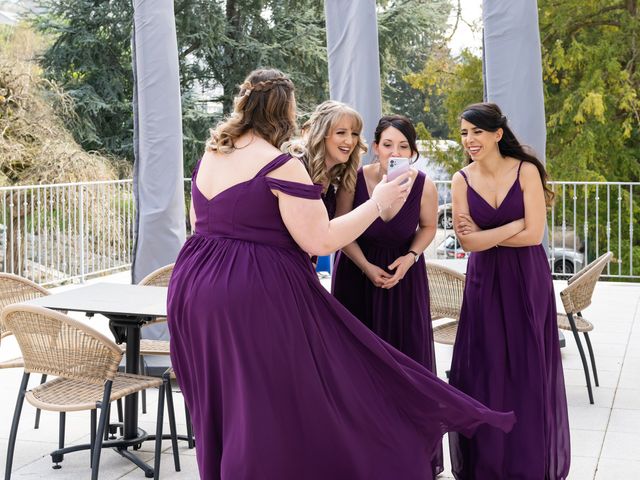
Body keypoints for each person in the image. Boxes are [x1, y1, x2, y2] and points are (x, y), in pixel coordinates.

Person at [168, 69, 515, 480]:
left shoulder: (212, 154)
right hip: (251, 293)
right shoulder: (280, 165)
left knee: (223, 398)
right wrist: (379, 203)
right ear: (284, 113)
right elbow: (320, 239)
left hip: (191, 288)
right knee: (274, 400)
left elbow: (198, 222)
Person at [448, 102, 570, 479]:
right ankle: (489, 462)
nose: (469, 140)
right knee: (487, 367)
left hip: (526, 279)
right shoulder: (460, 179)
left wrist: (488, 237)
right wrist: (511, 226)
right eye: (465, 133)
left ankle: (527, 461)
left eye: (477, 132)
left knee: (527, 366)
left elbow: (534, 235)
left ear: (498, 134)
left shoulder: (526, 171)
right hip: (484, 281)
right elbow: (467, 245)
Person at [331, 114, 442, 476]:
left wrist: (409, 259)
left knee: (406, 366)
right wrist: (365, 266)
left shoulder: (424, 185)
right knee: (355, 368)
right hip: (356, 275)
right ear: (375, 147)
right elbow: (341, 230)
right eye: (388, 144)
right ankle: (359, 455)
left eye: (404, 147)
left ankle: (409, 456)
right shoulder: (354, 178)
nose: (394, 152)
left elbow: (428, 227)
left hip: (404, 279)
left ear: (413, 153)